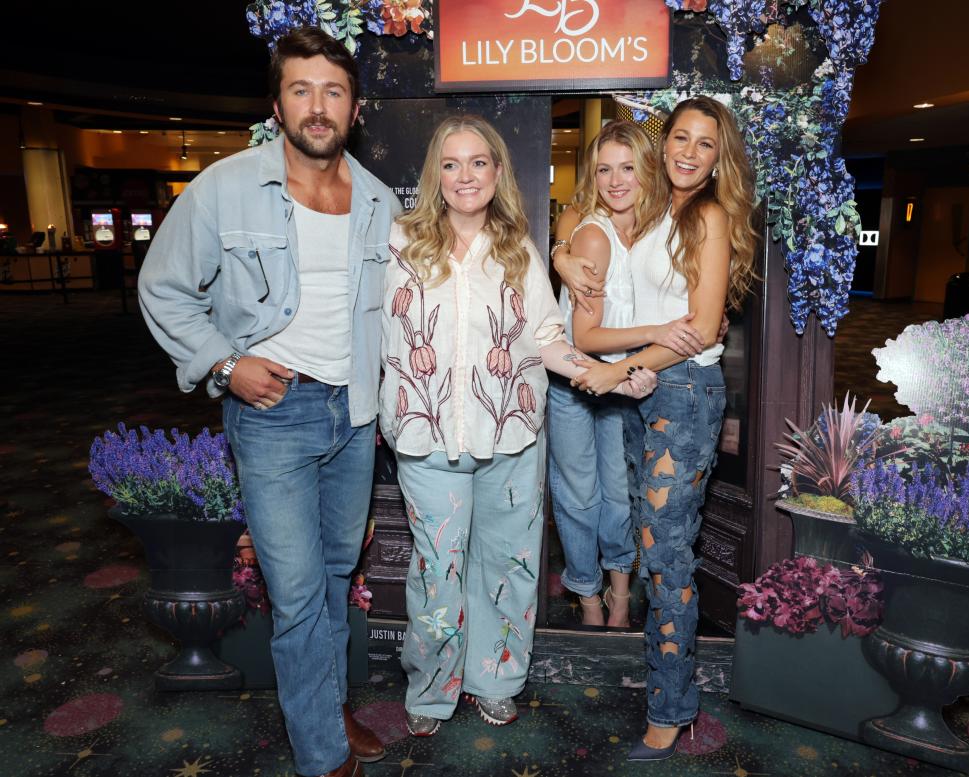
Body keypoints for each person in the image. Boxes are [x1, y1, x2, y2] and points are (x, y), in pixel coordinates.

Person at [138, 27, 399, 777]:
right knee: (294, 590)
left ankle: (324, 703)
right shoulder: (225, 186)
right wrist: (225, 362)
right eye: (302, 89)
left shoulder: (379, 201)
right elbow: (163, 290)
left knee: (335, 573)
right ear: (277, 103)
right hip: (273, 414)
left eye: (335, 91)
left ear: (355, 108)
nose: (319, 107)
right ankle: (321, 755)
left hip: (352, 418)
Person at [378, 115, 654, 737]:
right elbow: (373, 333)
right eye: (451, 164)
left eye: (479, 162)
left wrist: (612, 373)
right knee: (437, 570)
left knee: (508, 566)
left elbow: (549, 340)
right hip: (426, 437)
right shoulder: (399, 242)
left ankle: (496, 678)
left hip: (510, 436)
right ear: (435, 176)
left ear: (498, 171)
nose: (465, 175)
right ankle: (431, 687)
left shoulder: (518, 249)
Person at [571, 96, 758, 761]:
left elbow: (703, 330)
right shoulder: (658, 210)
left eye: (705, 145)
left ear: (717, 159)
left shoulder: (708, 214)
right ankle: (667, 689)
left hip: (682, 393)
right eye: (681, 137)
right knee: (658, 552)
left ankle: (672, 708)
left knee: (669, 555)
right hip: (650, 392)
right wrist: (568, 261)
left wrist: (614, 372)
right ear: (665, 142)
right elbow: (583, 214)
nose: (689, 152)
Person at [547, 121, 712, 628]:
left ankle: (620, 592)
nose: (616, 181)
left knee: (619, 496)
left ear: (648, 172)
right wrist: (659, 332)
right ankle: (590, 597)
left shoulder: (656, 223)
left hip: (626, 381)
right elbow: (585, 338)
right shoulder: (594, 236)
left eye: (627, 168)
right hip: (575, 381)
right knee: (580, 499)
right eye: (603, 170)